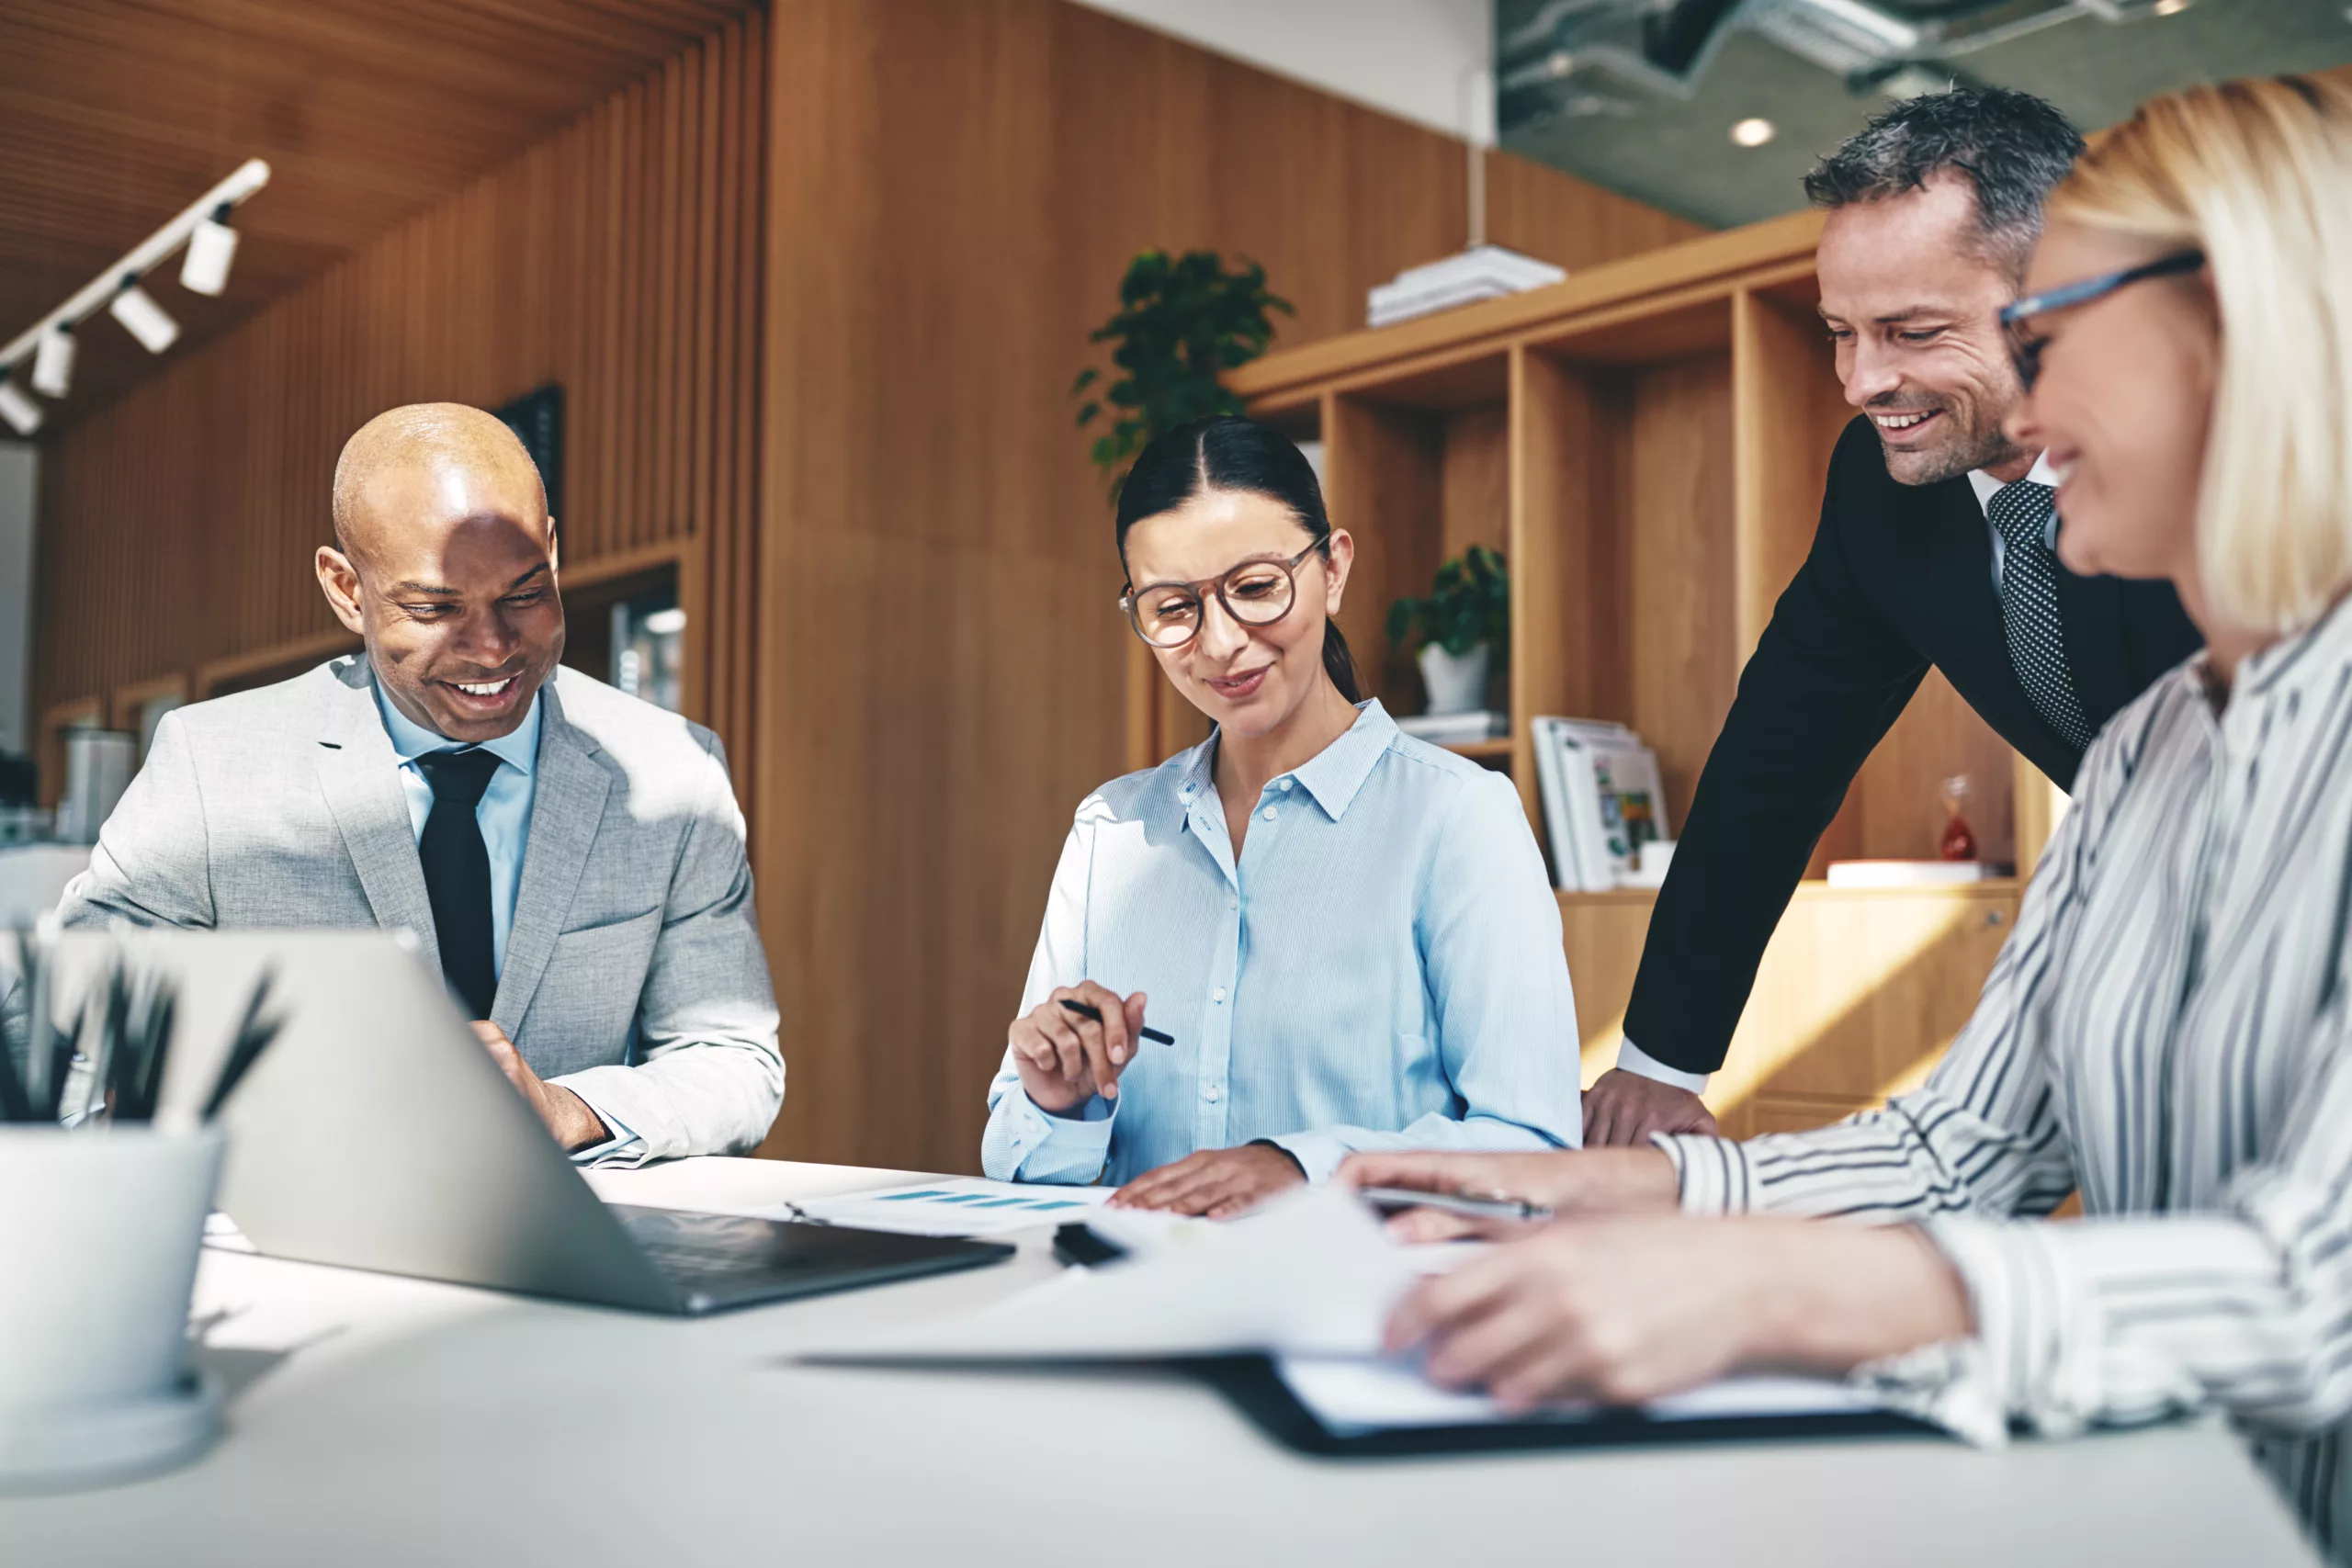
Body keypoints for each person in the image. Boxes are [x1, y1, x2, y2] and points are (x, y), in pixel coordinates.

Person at [1347, 76, 2352, 1560]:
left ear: (2244, 339)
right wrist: (1626, 1183)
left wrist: (1788, 1290)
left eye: (2056, 337)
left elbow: (2315, 1286)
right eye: (1842, 334)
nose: (2032, 403)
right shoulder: (2143, 762)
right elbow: (1959, 1147)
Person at [1583, 87, 2201, 1147]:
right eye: (1840, 334)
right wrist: (1658, 1066)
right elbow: (1774, 761)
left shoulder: (2225, 449)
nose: (1862, 384)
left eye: (1912, 332)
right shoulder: (1882, 487)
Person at [44, 403, 782, 1163]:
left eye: (524, 594)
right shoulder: (212, 764)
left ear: (554, 553)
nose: (493, 648)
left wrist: (567, 1109)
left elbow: (734, 1060)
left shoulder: (672, 771)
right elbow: (66, 1023)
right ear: (345, 588)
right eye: (434, 608)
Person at [980, 416, 1580, 1214]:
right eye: (1172, 607)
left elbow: (1534, 1147)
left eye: (1257, 587)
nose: (1222, 642)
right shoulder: (1111, 831)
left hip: (1363, 1315)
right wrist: (1062, 1104)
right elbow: (1016, 1167)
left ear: (1332, 569)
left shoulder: (1458, 818)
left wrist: (1307, 1165)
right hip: (1137, 1309)